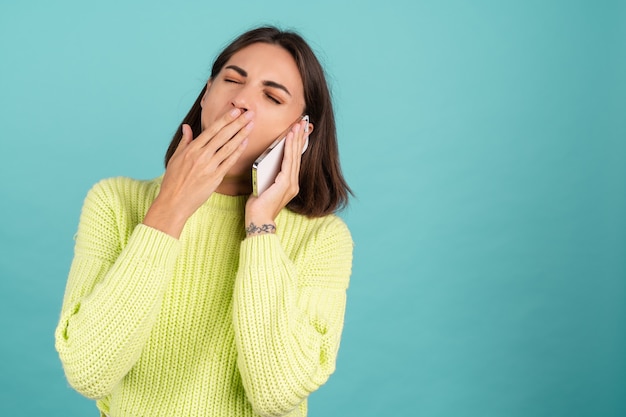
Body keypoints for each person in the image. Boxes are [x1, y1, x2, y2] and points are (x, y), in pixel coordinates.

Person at [54, 26, 353, 417]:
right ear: (206, 93)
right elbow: (88, 372)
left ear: (301, 132)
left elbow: (278, 394)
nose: (241, 101)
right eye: (232, 80)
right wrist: (169, 210)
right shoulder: (115, 203)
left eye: (272, 96)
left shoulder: (322, 239)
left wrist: (261, 225)